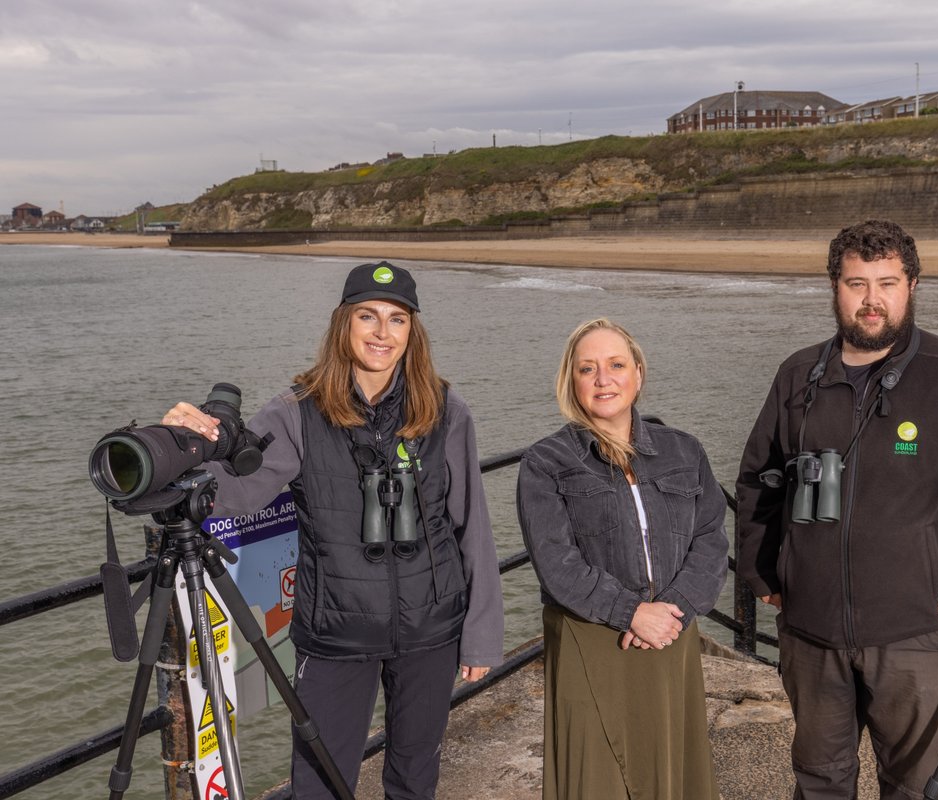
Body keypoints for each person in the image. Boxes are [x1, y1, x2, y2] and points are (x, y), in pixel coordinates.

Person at [162, 261, 503, 799]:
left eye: (396, 319)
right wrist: (183, 451)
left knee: (416, 776)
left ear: (413, 333)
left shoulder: (445, 410)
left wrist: (481, 634)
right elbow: (236, 491)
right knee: (321, 782)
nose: (381, 333)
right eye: (367, 316)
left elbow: (471, 525)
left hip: (431, 630)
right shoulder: (297, 411)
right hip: (335, 635)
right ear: (343, 323)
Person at [735, 220, 938, 799]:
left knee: (915, 785)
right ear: (834, 287)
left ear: (912, 286)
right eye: (856, 283)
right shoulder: (798, 376)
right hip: (811, 628)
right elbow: (760, 476)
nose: (872, 300)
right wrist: (760, 569)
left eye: (887, 283)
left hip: (917, 631)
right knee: (819, 780)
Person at [517, 318, 728, 800]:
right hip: (590, 637)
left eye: (615, 365)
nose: (603, 379)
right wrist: (631, 612)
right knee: (597, 775)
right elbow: (556, 560)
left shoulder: (684, 450)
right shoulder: (546, 462)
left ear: (638, 373)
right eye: (586, 369)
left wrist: (672, 611)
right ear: (571, 382)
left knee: (672, 770)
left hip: (670, 634)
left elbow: (711, 537)